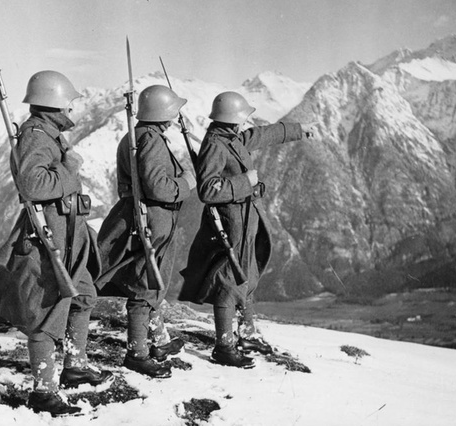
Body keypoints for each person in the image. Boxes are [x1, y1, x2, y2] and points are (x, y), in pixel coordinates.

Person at [0, 70, 112, 417]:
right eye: (68, 102)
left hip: (69, 233)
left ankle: (75, 365)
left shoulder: (49, 134)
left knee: (83, 294)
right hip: (51, 236)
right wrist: (69, 169)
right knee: (47, 313)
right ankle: (43, 391)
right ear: (55, 102)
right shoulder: (36, 136)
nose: (72, 108)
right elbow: (33, 185)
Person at [179, 91, 315, 369]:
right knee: (230, 281)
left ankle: (247, 335)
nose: (245, 123)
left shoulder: (230, 138)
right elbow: (207, 190)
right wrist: (246, 180)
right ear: (231, 120)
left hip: (245, 217)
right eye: (241, 118)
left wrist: (298, 130)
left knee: (247, 276)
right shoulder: (216, 144)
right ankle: (224, 347)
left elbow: (261, 135)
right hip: (232, 222)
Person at [95, 85, 196, 379]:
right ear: (163, 112)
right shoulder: (150, 140)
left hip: (143, 218)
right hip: (152, 219)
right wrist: (186, 183)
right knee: (145, 285)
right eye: (172, 111)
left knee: (152, 281)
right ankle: (137, 354)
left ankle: (158, 342)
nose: (175, 116)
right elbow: (158, 187)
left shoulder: (136, 135)